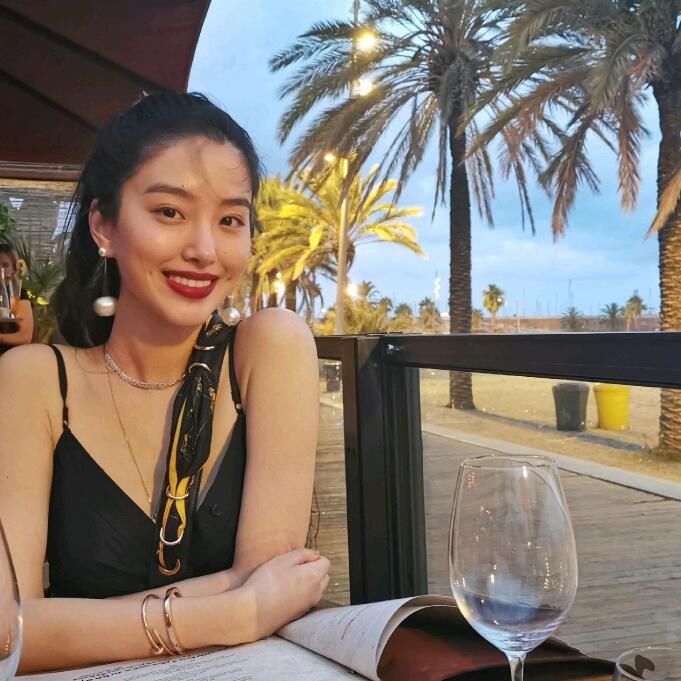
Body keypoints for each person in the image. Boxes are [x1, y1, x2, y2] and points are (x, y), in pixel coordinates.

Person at [0, 92, 328, 673]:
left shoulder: (267, 351)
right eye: (170, 212)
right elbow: (8, 633)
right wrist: (237, 613)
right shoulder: (35, 380)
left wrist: (64, 624)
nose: (204, 250)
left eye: (230, 220)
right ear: (104, 226)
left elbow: (275, 584)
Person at [0, 243, 34, 352]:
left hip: (9, 356)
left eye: (5, 265)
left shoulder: (19, 295)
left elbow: (25, 337)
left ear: (14, 269)